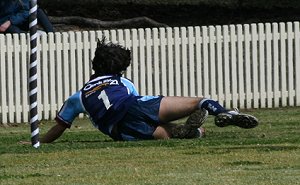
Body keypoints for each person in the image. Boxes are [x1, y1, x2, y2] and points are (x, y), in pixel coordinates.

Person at [35, 38, 258, 144]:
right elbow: (136, 103)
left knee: (173, 135)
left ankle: (186, 131)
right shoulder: (123, 82)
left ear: (95, 65)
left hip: (120, 130)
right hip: (133, 105)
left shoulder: (78, 96)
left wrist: (39, 142)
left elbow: (60, 126)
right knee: (199, 101)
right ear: (121, 68)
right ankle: (224, 113)